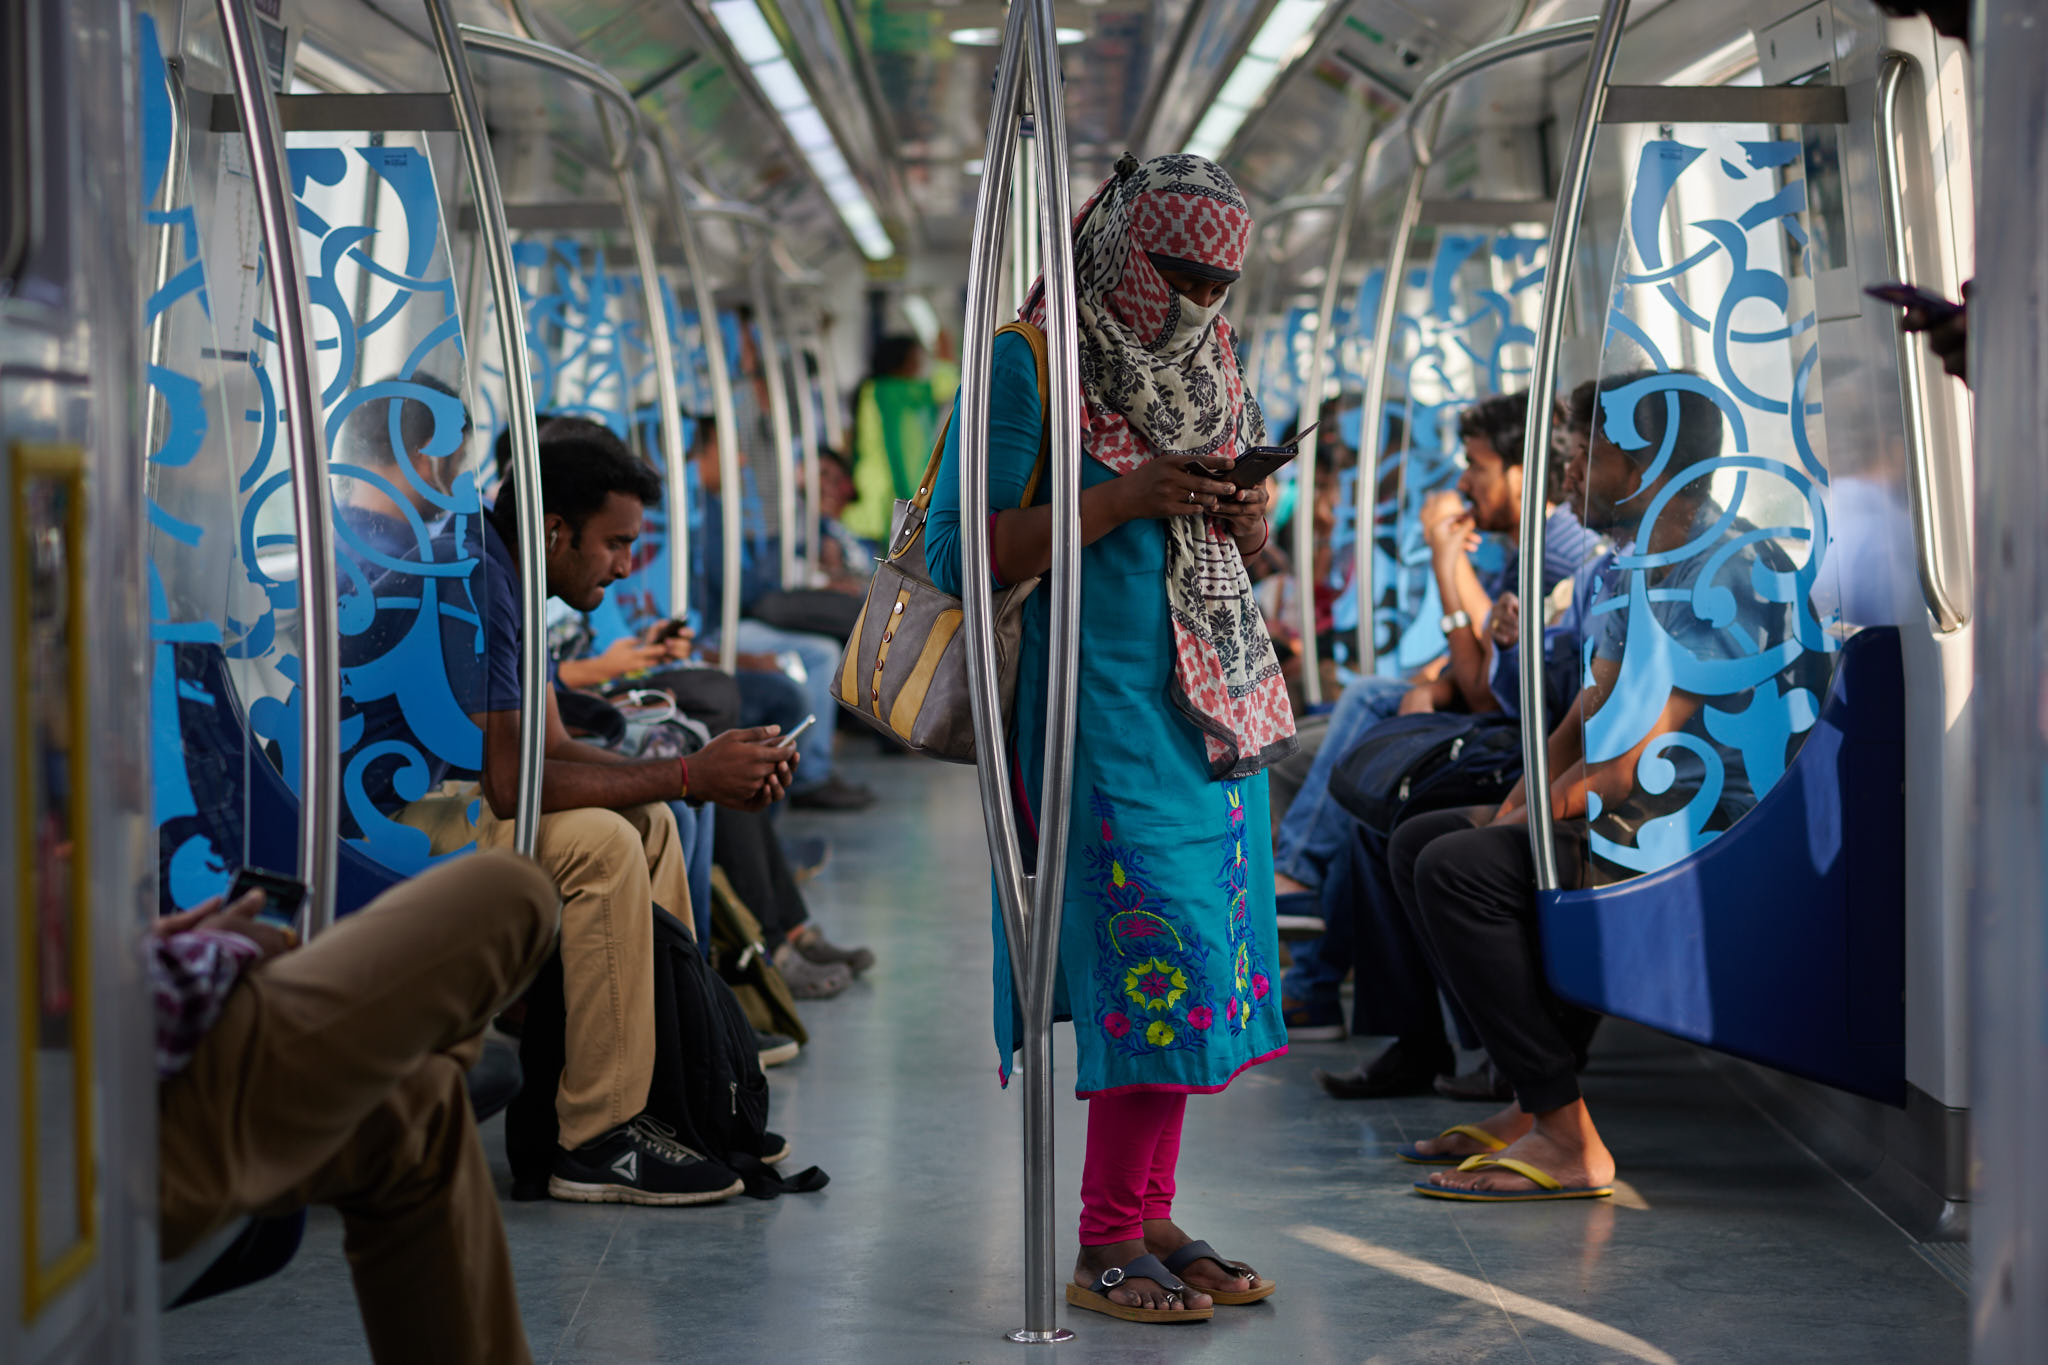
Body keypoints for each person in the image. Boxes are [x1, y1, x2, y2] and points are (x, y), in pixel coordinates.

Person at [927, 153, 1289, 1322]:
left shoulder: (1212, 367)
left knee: (1197, 966)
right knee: (1153, 954)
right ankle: (1097, 1244)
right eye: (1175, 273)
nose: (1196, 304)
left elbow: (1247, 554)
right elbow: (960, 553)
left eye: (1218, 282)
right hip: (1094, 713)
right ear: (1119, 251)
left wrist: (1245, 516)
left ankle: (1147, 1211)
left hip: (1210, 706)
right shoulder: (1025, 364)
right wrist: (1122, 500)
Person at [364, 419, 800, 1206]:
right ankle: (594, 1137)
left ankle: (674, 1091)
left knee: (654, 821)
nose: (627, 563)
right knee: (601, 842)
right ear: (556, 529)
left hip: (444, 796)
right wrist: (685, 769)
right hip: (382, 817)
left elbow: (553, 745)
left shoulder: (510, 567)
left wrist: (692, 780)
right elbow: (510, 785)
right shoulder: (475, 578)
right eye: (616, 542)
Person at [1396, 370, 1798, 1199]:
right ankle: (1530, 1099)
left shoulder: (1725, 570)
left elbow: (1641, 757)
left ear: (1645, 466)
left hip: (1701, 832)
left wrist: (1533, 820)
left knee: (1459, 870)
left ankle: (1568, 1135)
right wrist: (1519, 805)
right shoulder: (1626, 568)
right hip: (1635, 813)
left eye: (1582, 456)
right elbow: (1589, 713)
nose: (1566, 476)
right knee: (1422, 841)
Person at [1275, 389, 1600, 1043]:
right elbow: (1477, 669)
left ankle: (1303, 919)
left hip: (1532, 746)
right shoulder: (1524, 551)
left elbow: (1491, 689)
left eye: (1476, 466)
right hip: (1520, 733)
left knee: (1371, 733)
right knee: (1353, 762)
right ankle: (1318, 966)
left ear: (1521, 469)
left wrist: (1449, 563)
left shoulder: (1564, 556)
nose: (1462, 482)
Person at [156, 852, 557, 1364]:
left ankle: (410, 1053)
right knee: (512, 892)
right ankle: (415, 1047)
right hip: (129, 1099)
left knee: (415, 1104)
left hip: (136, 1045)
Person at [691, 417, 878, 811]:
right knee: (820, 652)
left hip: (731, 619)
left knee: (824, 647)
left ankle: (814, 769)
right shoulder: (697, 513)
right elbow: (738, 586)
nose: (740, 461)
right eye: (728, 450)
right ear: (700, 454)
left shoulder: (716, 507)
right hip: (714, 630)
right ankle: (811, 776)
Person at [846, 333, 937, 543]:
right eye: (915, 362)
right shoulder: (889, 393)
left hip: (878, 495)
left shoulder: (875, 392)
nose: (918, 370)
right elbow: (944, 385)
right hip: (882, 497)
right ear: (898, 364)